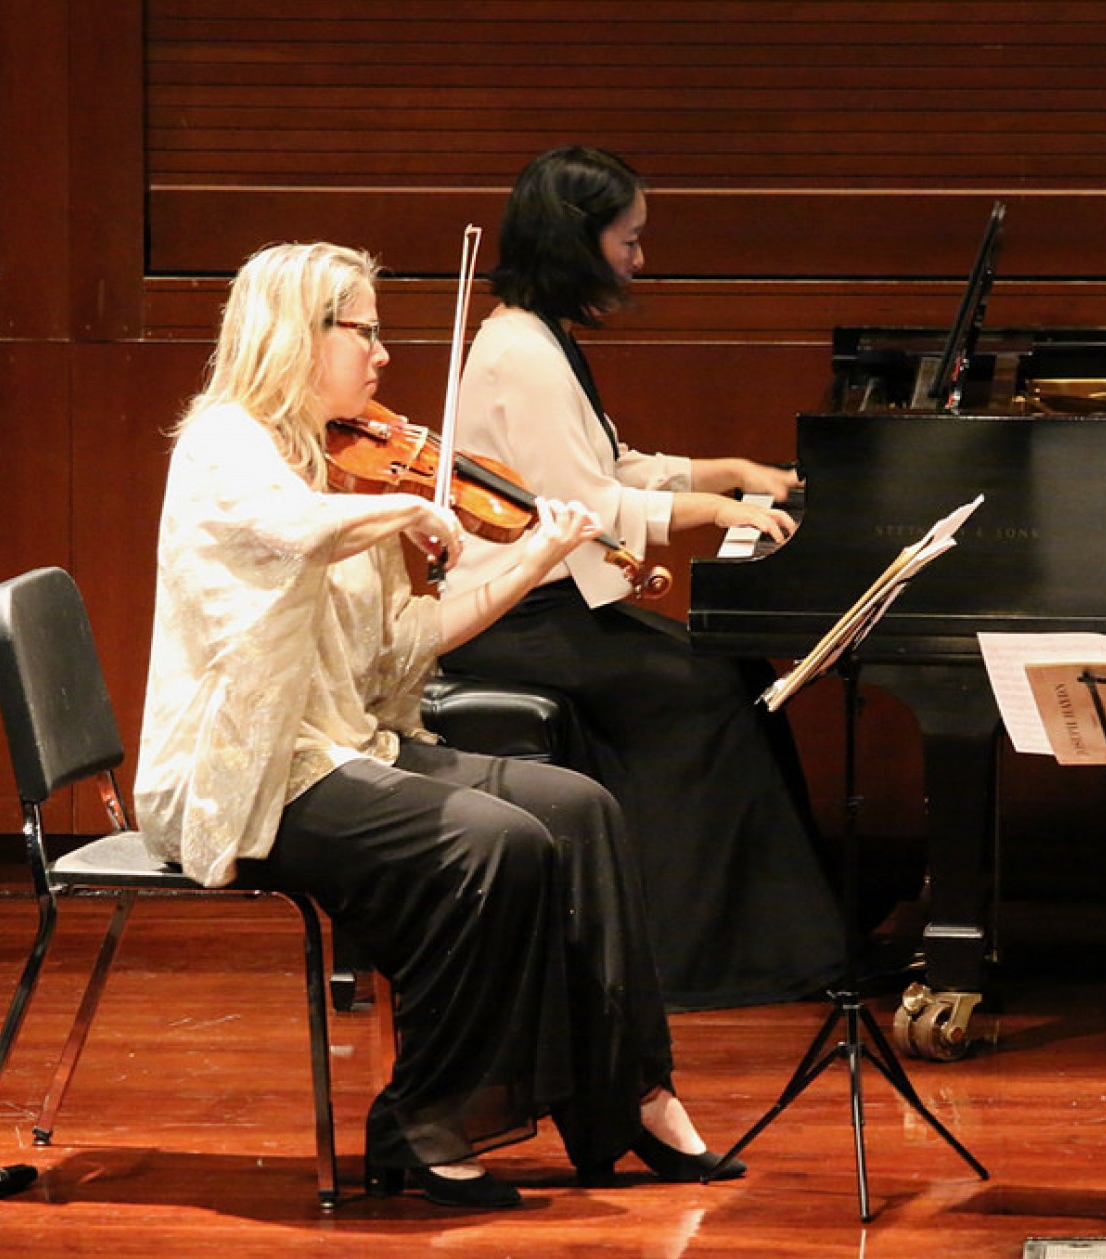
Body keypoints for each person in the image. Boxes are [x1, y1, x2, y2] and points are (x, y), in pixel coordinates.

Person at [134, 241, 744, 1210]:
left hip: (351, 744)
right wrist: (401, 506)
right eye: (361, 329)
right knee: (491, 843)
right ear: (297, 332)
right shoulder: (226, 443)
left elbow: (402, 646)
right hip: (250, 774)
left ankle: (629, 1090)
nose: (382, 353)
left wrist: (535, 549)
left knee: (578, 807)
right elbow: (295, 528)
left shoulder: (348, 449)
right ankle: (421, 1112)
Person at [440, 145, 849, 1010]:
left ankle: (778, 936)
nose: (637, 259)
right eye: (628, 240)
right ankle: (699, 955)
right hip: (517, 619)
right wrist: (714, 512)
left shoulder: (538, 336)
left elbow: (612, 461)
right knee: (707, 691)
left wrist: (728, 468)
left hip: (547, 604)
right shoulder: (518, 350)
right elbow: (582, 501)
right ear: (578, 239)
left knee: (731, 670)